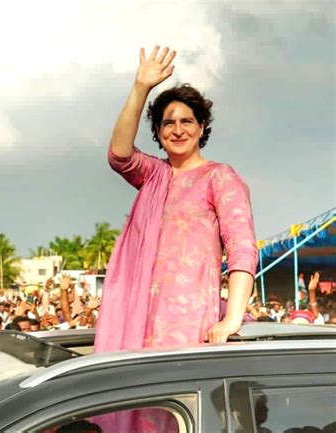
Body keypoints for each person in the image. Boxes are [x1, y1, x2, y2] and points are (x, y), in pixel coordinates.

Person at [95, 46, 258, 353]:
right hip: (140, 319)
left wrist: (232, 318)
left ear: (202, 127)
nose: (178, 129)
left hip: (191, 324)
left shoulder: (220, 178)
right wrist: (140, 88)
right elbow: (119, 155)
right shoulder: (155, 175)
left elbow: (242, 247)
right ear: (158, 131)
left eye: (187, 121)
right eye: (169, 123)